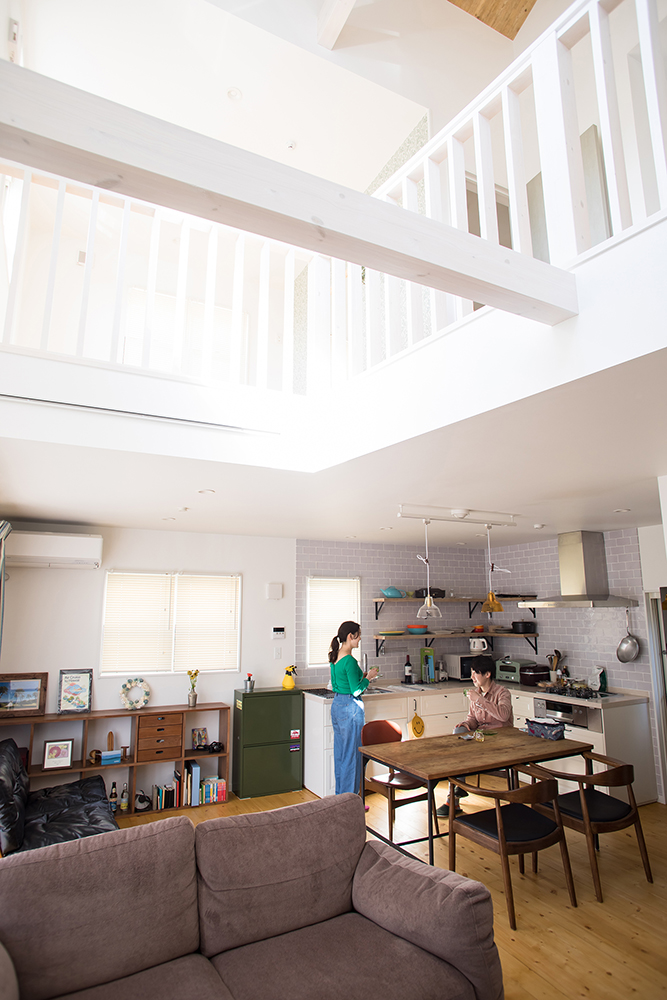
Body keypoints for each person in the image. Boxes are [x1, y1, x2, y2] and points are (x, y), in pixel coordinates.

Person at [438, 655, 514, 817]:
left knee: (458, 754)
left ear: (487, 674)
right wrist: (466, 724)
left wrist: (479, 700)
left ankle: (454, 797)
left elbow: (503, 715)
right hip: (481, 739)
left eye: (475, 673)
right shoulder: (476, 694)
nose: (472, 677)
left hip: (501, 740)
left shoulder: (502, 693)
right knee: (457, 736)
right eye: (471, 672)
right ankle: (456, 795)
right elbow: (473, 719)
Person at [329, 621, 379, 796]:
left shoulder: (336, 656)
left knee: (341, 755)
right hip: (350, 707)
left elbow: (344, 680)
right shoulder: (349, 660)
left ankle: (341, 798)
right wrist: (369, 678)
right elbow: (356, 690)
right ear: (351, 636)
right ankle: (351, 801)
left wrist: (363, 676)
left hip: (337, 705)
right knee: (352, 755)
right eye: (358, 636)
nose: (360, 639)